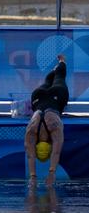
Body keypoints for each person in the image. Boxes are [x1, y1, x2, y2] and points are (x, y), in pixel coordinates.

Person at [25, 54, 68, 184]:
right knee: (47, 81)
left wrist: (51, 173)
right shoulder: (31, 131)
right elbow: (30, 156)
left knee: (60, 77)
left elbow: (56, 153)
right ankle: (58, 66)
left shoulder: (55, 130)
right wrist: (32, 176)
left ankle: (62, 63)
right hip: (38, 97)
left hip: (57, 96)